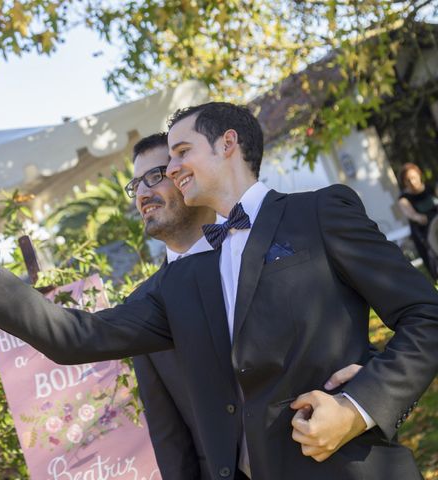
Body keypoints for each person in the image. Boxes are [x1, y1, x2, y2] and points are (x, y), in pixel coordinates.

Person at [0, 102, 438, 480]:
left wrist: (358, 408)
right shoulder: (180, 280)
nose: (173, 167)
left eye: (181, 153)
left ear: (227, 144)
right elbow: (80, 336)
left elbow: (426, 315)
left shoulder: (319, 212)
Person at [127, 132, 363, 479]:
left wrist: (366, 399)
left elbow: (349, 331)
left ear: (187, 175)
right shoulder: (142, 304)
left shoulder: (274, 250)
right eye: (135, 185)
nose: (143, 193)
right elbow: (170, 439)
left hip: (335, 462)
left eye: (155, 175)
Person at [397, 162, 438, 281]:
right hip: (423, 233)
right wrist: (419, 217)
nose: (412, 182)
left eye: (414, 178)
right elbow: (413, 215)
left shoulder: (431, 189)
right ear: (404, 182)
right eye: (408, 180)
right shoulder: (404, 199)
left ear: (419, 175)